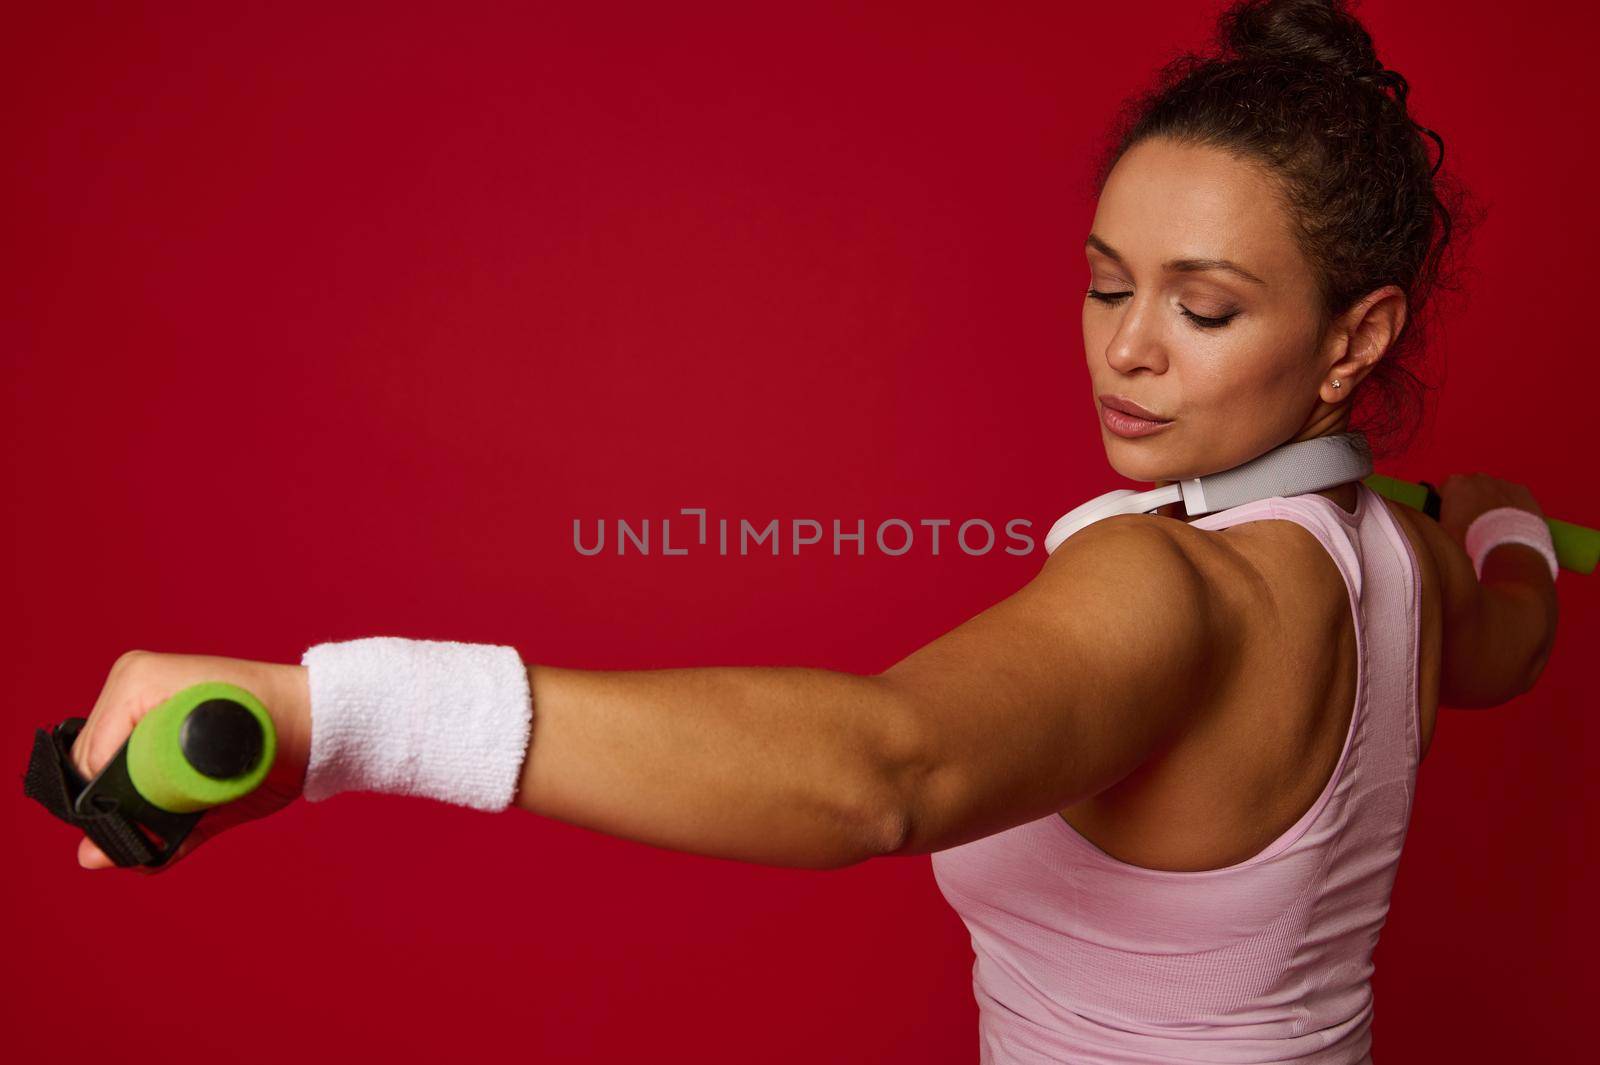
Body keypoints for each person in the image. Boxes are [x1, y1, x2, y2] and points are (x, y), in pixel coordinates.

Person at [67, 1, 1560, 1061]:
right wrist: (1512, 533)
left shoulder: (1171, 584)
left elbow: (886, 767)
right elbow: (1515, 637)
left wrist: (341, 713)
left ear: (1356, 336)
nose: (1130, 349)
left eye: (1207, 304)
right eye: (1109, 284)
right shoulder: (1410, 569)